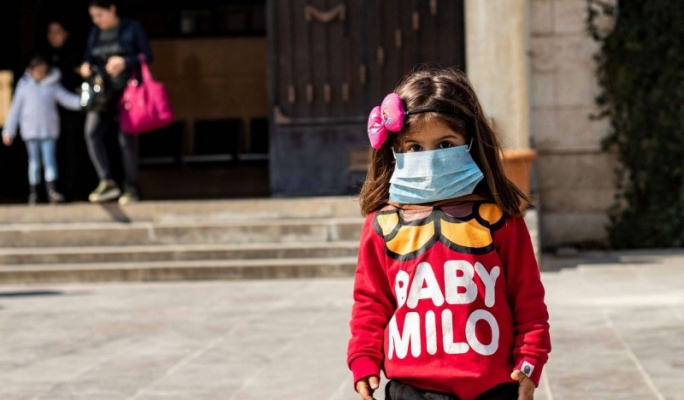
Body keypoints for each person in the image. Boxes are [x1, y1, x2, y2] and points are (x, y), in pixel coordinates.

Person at [347, 69, 551, 400]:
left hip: (493, 390)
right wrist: (363, 360)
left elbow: (528, 302)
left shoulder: (501, 221)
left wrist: (531, 359)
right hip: (411, 391)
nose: (430, 159)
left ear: (470, 143)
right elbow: (370, 303)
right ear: (395, 151)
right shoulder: (382, 225)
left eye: (445, 144)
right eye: (414, 147)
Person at [80, 0, 153, 204]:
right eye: (93, 17)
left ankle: (130, 186)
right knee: (92, 132)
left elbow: (147, 55)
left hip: (127, 90)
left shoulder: (132, 27)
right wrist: (86, 65)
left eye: (100, 15)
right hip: (102, 91)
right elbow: (88, 56)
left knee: (126, 138)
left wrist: (125, 61)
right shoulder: (95, 32)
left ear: (112, 9)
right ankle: (107, 181)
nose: (96, 20)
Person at [2, 55, 82, 204]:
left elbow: (67, 99)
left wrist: (83, 102)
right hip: (30, 131)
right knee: (34, 163)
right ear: (31, 70)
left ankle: (51, 191)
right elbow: (15, 110)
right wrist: (8, 130)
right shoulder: (24, 86)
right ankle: (34, 193)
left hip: (49, 130)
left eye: (43, 72)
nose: (40, 74)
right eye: (38, 71)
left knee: (49, 161)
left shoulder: (52, 85)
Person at [39, 20, 95, 201]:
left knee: (73, 151)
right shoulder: (41, 57)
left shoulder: (75, 57)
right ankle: (49, 191)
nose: (53, 36)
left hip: (71, 115)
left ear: (66, 34)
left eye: (57, 32)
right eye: (50, 32)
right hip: (46, 117)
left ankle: (75, 189)